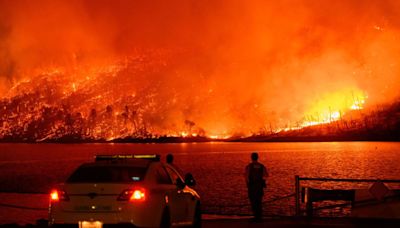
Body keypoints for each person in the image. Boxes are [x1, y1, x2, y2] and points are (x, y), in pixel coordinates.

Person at [245, 152, 268, 221]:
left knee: (253, 201)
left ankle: (256, 216)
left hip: (252, 187)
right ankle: (259, 216)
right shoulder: (262, 166)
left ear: (251, 158)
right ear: (257, 157)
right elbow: (266, 175)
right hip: (259, 187)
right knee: (259, 201)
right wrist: (261, 181)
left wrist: (248, 185)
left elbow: (247, 177)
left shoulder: (249, 166)